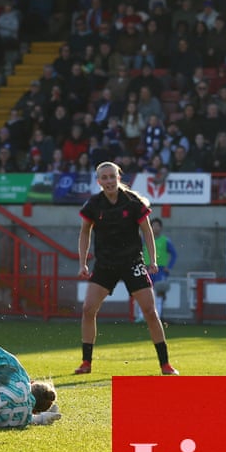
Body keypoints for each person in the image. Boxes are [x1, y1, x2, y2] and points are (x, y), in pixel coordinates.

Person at [74, 161, 179, 375]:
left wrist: (153, 261)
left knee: (150, 311)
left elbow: (148, 232)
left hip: (132, 263)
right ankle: (86, 362)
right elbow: (85, 232)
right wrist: (83, 262)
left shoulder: (133, 202)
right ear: (99, 182)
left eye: (112, 176)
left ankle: (165, 364)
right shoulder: (93, 204)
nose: (109, 181)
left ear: (118, 177)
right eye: (104, 177)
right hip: (105, 264)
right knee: (88, 310)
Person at [134, 217, 178, 323]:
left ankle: (156, 316)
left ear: (161, 228)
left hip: (160, 269)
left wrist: (169, 267)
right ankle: (141, 316)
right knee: (143, 292)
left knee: (159, 293)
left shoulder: (165, 241)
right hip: (146, 268)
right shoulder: (144, 240)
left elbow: (174, 254)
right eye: (153, 225)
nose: (155, 228)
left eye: (157, 226)